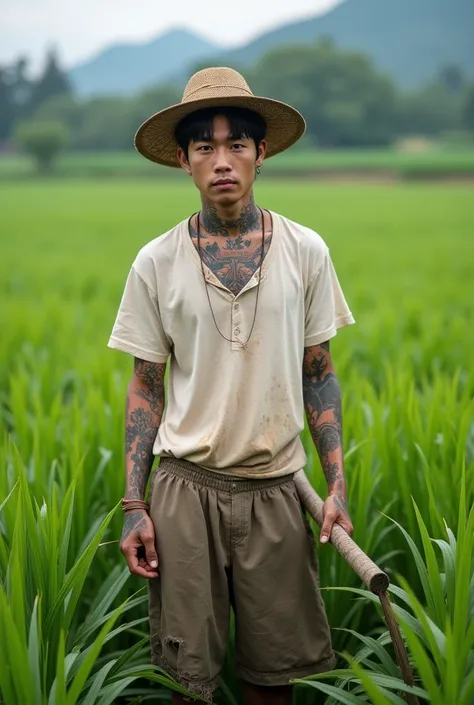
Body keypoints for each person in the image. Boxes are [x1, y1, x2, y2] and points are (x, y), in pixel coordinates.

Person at [108, 66, 355, 705]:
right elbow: (145, 387)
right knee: (190, 684)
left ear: (260, 154)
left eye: (237, 144)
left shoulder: (306, 250)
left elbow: (319, 374)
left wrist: (337, 486)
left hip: (277, 491)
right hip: (185, 492)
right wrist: (135, 506)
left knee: (273, 680)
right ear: (185, 162)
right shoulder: (156, 261)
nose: (223, 160)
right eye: (205, 147)